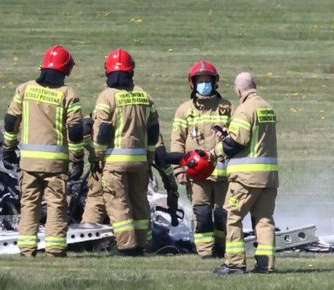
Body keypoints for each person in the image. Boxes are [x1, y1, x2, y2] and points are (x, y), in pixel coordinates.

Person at [2, 45, 83, 257]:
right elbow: (75, 130)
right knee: (56, 205)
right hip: (55, 165)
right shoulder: (68, 94)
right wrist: (78, 159)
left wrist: (8, 148)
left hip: (28, 162)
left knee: (29, 204)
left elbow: (11, 121)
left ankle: (27, 250)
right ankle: (55, 250)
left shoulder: (24, 89)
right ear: (65, 69)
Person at [92, 48, 160, 256]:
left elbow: (103, 132)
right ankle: (142, 244)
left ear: (108, 71)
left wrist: (97, 156)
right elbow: (153, 132)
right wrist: (149, 158)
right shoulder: (144, 96)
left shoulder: (107, 96)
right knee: (140, 203)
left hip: (114, 163)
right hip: (140, 162)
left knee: (118, 203)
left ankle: (127, 246)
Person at [212, 72, 278, 275]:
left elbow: (236, 143)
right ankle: (266, 265)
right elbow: (254, 140)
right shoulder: (267, 107)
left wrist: (216, 151)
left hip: (246, 178)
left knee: (232, 217)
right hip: (268, 178)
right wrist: (228, 135)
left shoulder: (244, 109)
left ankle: (234, 264)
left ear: (238, 89)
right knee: (264, 220)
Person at [170, 60, 232, 258]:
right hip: (196, 175)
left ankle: (222, 248)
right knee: (202, 214)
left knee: (223, 214)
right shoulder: (184, 110)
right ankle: (205, 252)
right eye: (200, 81)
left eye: (208, 81)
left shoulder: (227, 107)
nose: (204, 85)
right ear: (193, 83)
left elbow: (237, 138)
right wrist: (178, 170)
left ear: (215, 82)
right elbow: (177, 141)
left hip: (224, 173)